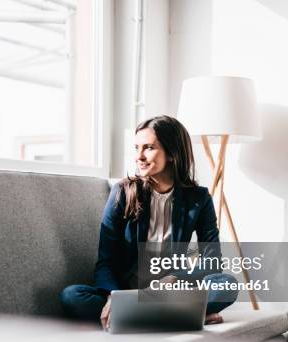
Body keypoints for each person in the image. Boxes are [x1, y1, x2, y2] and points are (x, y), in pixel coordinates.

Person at [60, 115, 239, 330]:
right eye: (136, 148)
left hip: (173, 292)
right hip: (128, 293)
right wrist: (112, 298)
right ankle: (183, 316)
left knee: (226, 284)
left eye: (148, 148)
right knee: (72, 296)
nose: (139, 156)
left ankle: (143, 317)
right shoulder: (122, 192)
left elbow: (212, 261)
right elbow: (105, 261)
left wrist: (174, 278)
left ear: (172, 153)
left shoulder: (198, 199)